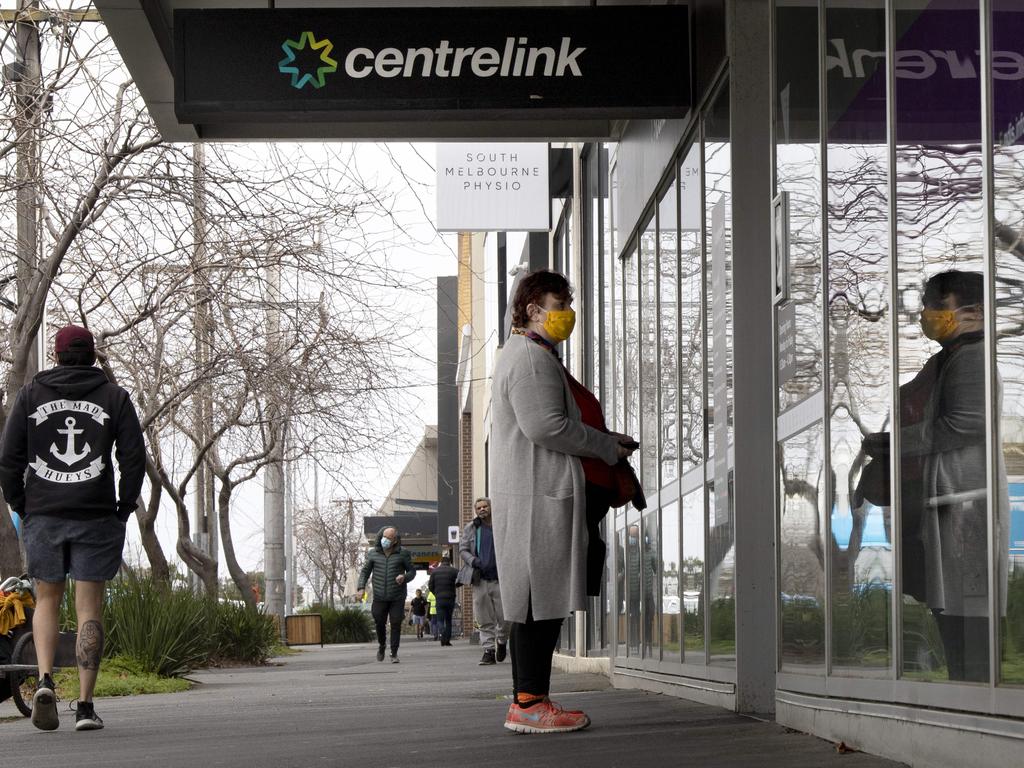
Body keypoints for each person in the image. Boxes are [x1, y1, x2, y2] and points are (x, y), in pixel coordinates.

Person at [490, 269, 636, 733]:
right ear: (532, 310)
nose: (566, 315)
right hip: (540, 497)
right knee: (538, 601)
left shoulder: (527, 355)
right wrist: (606, 446)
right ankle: (530, 704)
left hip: (540, 493)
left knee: (539, 599)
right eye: (558, 306)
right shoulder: (530, 359)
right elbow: (547, 427)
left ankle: (530, 700)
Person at [864, 270, 1008, 682]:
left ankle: (978, 706)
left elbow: (964, 424)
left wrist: (894, 443)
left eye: (936, 305)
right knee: (955, 619)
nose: (926, 314)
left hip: (964, 506)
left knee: (970, 622)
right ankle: (966, 699)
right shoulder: (950, 357)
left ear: (975, 310)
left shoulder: (974, 357)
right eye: (926, 304)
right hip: (948, 504)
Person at [0, 325, 145, 731]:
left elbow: (8, 458)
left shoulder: (31, 395)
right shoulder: (115, 398)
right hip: (96, 515)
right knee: (89, 608)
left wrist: (21, 503)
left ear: (57, 354)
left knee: (46, 599)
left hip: (44, 514)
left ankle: (44, 679)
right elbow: (133, 458)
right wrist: (124, 506)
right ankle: (84, 705)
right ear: (93, 355)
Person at [459, 497, 509, 665]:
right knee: (483, 618)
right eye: (478, 507)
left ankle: (502, 641)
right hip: (480, 580)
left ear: (490, 507)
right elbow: (463, 549)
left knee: (505, 617)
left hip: (501, 579)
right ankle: (489, 650)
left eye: (485, 506)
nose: (482, 509)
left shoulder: (502, 525)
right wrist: (473, 561)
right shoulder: (472, 528)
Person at [357, 525, 416, 663]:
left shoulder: (403, 553)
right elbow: (365, 572)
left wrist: (404, 577)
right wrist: (361, 587)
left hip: (397, 596)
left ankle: (394, 653)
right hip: (379, 596)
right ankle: (382, 645)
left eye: (389, 538)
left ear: (395, 540)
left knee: (395, 623)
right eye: (384, 537)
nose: (385, 540)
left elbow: (412, 572)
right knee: (379, 622)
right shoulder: (373, 553)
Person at [428, 554, 459, 646]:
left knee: (440, 619)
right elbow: (461, 580)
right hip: (450, 598)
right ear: (449, 562)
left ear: (441, 562)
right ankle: (447, 640)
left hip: (439, 599)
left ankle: (442, 633)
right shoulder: (454, 571)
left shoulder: (434, 572)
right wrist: (455, 586)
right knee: (448, 619)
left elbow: (430, 586)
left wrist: (436, 593)